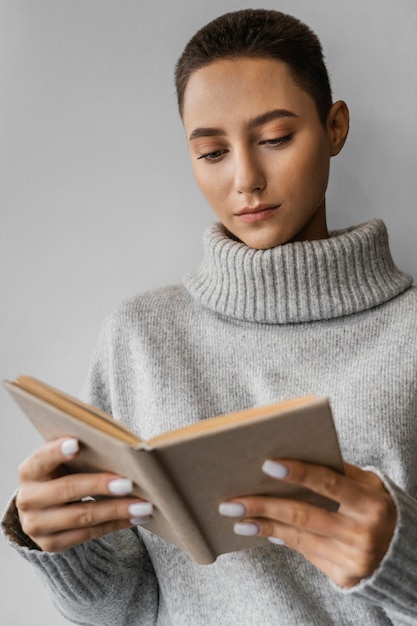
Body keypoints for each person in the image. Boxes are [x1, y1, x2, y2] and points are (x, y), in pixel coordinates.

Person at [2, 8, 417, 625]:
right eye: (212, 151)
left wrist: (403, 558)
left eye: (275, 139)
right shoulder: (140, 334)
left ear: (335, 128)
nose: (246, 179)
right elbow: (126, 608)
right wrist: (59, 542)